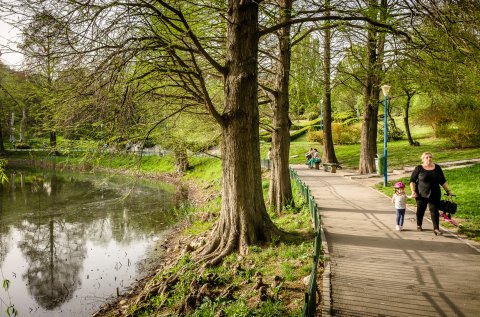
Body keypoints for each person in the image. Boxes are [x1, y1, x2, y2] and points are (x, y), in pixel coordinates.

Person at [410, 152, 453, 235]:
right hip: (421, 194)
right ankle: (419, 224)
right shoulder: (419, 168)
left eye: (430, 157)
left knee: (434, 211)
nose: (429, 158)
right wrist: (413, 191)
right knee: (420, 210)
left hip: (435, 193)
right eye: (426, 157)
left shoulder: (437, 168)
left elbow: (443, 181)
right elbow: (412, 181)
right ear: (423, 159)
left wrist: (448, 191)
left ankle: (436, 229)